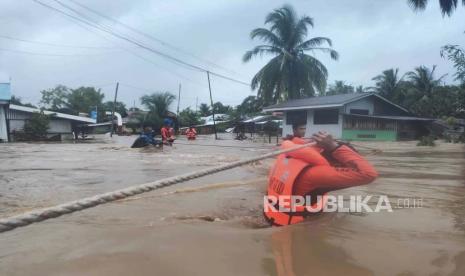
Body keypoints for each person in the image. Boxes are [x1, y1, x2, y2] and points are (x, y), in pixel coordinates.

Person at [264, 131, 378, 226]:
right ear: (335, 161)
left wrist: (293, 139)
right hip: (295, 226)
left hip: (272, 216)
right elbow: (368, 174)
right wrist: (334, 146)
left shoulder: (294, 157)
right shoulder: (316, 175)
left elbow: (300, 143)